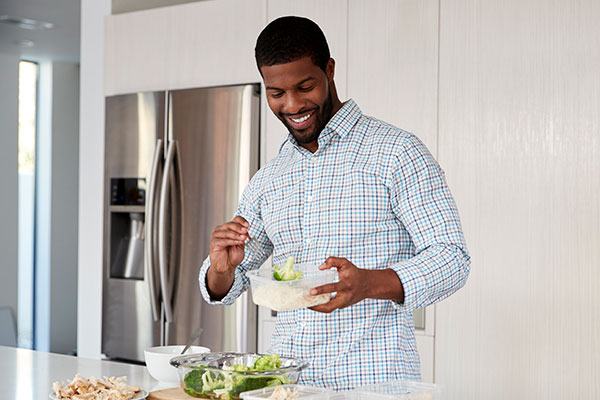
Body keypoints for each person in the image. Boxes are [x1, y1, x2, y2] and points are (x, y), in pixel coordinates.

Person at [199, 16, 470, 391]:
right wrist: (221, 268)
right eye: (277, 93)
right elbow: (230, 283)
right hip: (289, 385)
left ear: (329, 70)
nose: (292, 105)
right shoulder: (268, 180)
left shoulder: (397, 153)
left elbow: (452, 258)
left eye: (305, 86)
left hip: (373, 385)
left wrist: (367, 283)